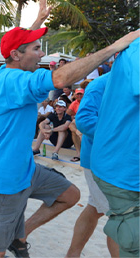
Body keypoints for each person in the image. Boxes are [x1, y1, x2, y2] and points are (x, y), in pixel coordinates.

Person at [0, 0, 139, 257]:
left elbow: (16, 47)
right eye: (37, 48)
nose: (41, 55)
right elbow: (60, 79)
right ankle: (11, 241)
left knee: (70, 195)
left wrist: (37, 20)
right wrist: (115, 46)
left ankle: (21, 234)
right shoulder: (12, 81)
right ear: (17, 55)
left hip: (25, 168)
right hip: (3, 177)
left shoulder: (8, 67)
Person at [90, 36, 140, 257]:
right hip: (121, 168)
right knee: (133, 239)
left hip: (123, 163)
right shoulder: (137, 51)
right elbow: (82, 120)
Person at [65, 73, 119, 257]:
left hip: (123, 161)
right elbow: (85, 121)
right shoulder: (100, 85)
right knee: (120, 217)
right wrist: (121, 137)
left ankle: (72, 254)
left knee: (95, 208)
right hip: (101, 161)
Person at [67, 88, 84, 162]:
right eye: (78, 94)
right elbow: (68, 113)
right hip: (79, 121)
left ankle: (80, 153)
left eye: (81, 94)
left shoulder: (87, 101)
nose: (79, 95)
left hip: (87, 120)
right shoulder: (75, 102)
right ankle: (78, 153)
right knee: (72, 127)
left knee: (72, 125)